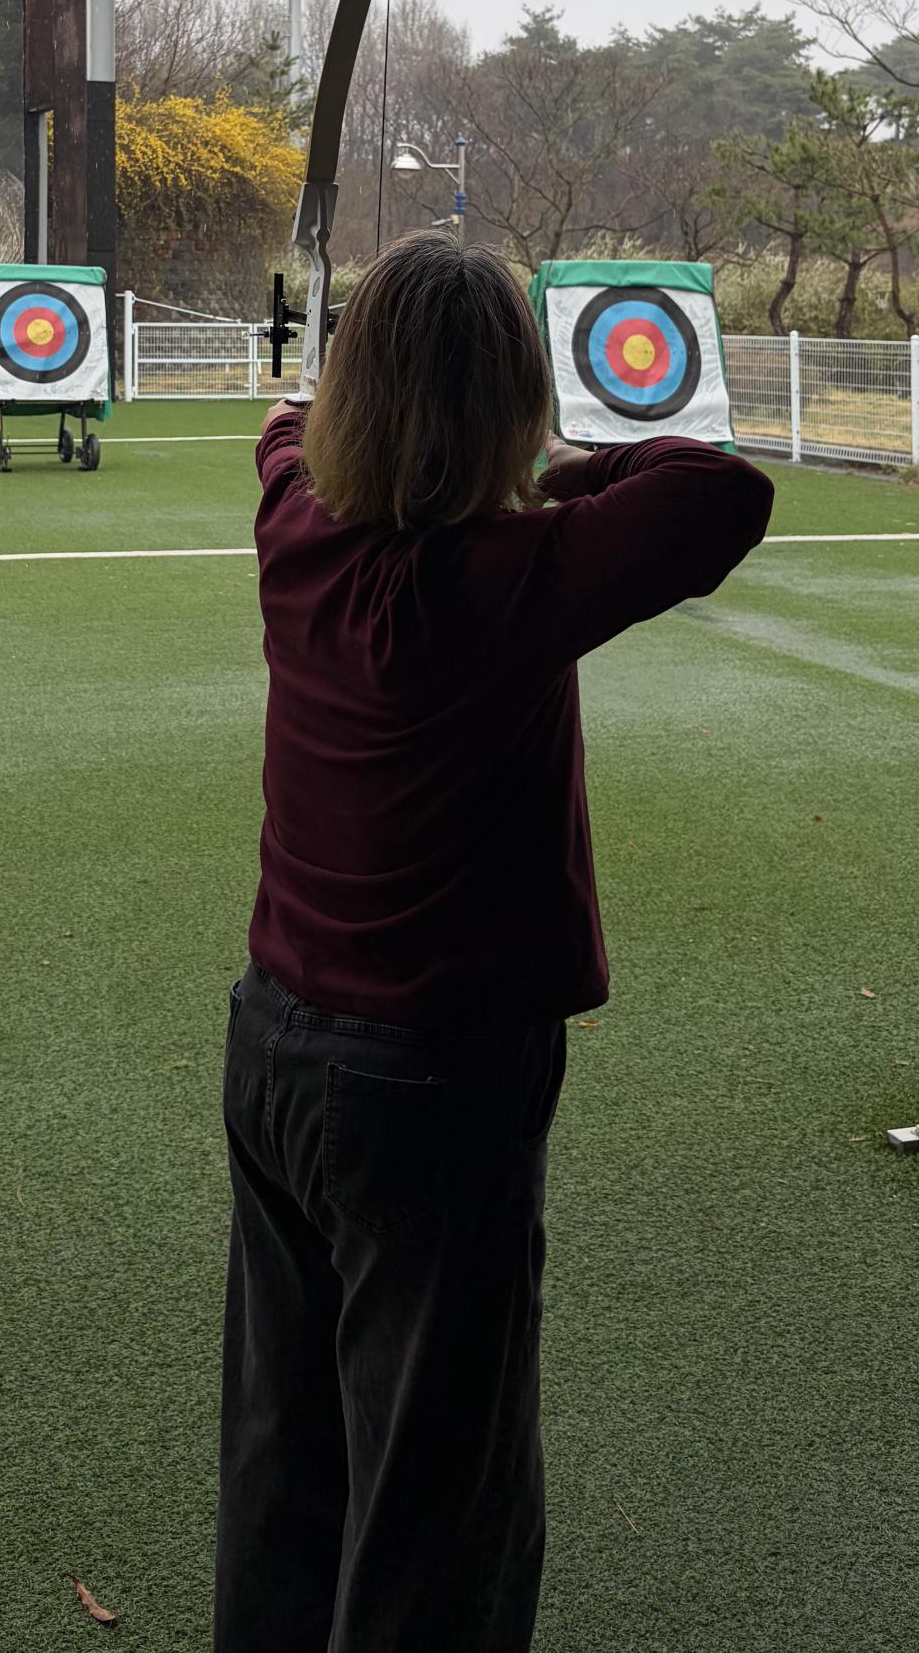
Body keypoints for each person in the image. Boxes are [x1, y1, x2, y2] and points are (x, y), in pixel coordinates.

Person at [213, 233, 774, 1653]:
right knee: (439, 1509)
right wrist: (555, 467)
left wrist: (337, 409)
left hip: (272, 1049)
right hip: (433, 1083)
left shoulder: (295, 523)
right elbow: (724, 490)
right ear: (516, 402)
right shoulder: (511, 573)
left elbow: (283, 433)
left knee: (288, 1453)